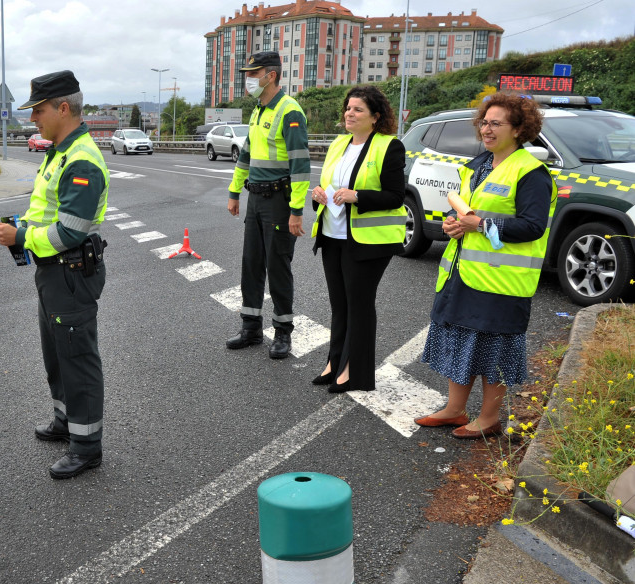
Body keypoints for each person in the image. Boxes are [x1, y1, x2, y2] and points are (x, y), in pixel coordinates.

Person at [414, 92, 556, 439]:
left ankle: (490, 418)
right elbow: (465, 209)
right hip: (464, 272)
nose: (487, 129)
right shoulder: (479, 165)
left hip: (502, 282)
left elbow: (532, 226)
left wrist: (477, 225)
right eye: (484, 122)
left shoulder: (531, 173)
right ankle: (455, 409)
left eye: (496, 123)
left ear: (519, 128)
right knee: (461, 340)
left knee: (494, 347)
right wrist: (452, 223)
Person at [0, 70, 109, 479]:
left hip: (70, 269)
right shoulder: (58, 151)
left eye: (38, 110)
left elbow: (69, 231)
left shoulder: (80, 160)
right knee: (57, 354)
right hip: (52, 272)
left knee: (77, 358)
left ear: (64, 108)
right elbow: (46, 211)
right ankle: (65, 421)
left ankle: (86, 446)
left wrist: (20, 235)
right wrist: (21, 228)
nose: (33, 119)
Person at [308, 86, 407, 393]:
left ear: (375, 117)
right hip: (332, 234)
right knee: (340, 305)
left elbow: (395, 196)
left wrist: (357, 196)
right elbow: (327, 185)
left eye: (358, 110)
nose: (349, 113)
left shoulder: (389, 146)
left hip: (368, 241)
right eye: (348, 108)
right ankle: (334, 362)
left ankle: (355, 372)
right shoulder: (339, 144)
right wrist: (319, 196)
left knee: (359, 305)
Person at [226, 51, 310, 359]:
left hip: (279, 200)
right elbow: (246, 155)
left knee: (277, 266)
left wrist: (296, 211)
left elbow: (301, 166)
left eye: (253, 74)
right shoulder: (258, 110)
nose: (248, 80)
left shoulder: (289, 111)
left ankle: (283, 332)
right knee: (251, 264)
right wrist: (235, 192)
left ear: (270, 76)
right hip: (256, 198)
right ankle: (251, 328)